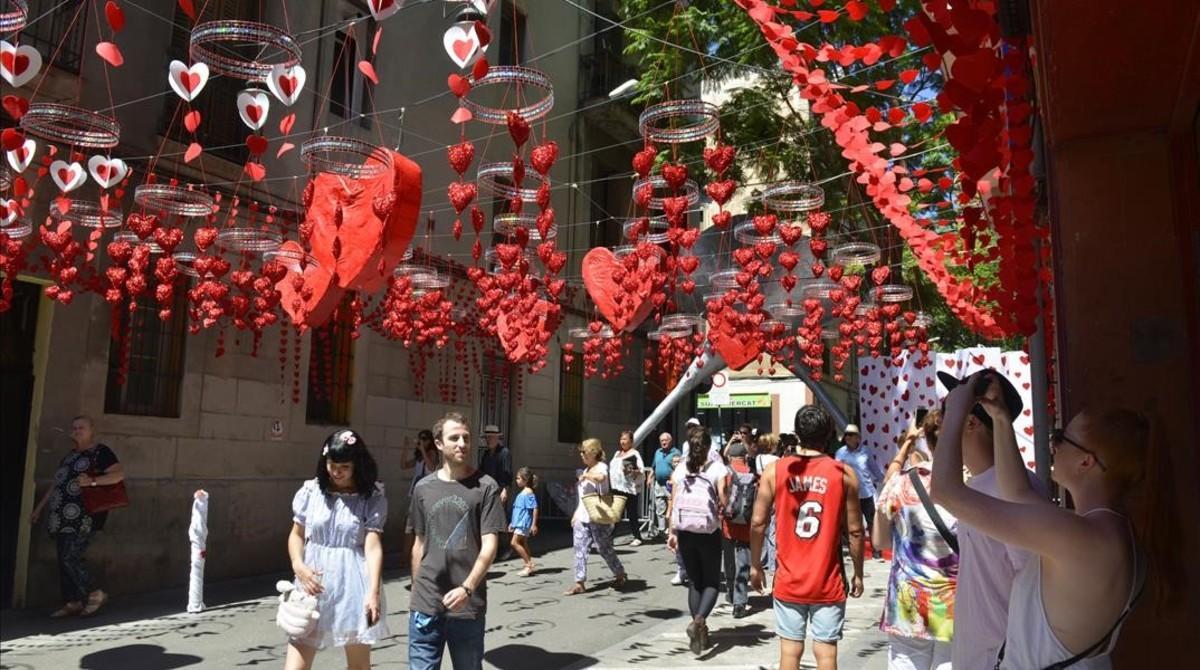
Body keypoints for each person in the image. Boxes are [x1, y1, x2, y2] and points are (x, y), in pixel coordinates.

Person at [933, 371, 1172, 669]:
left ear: (1086, 462)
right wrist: (1001, 419)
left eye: (1061, 438)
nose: (1053, 445)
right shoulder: (1105, 531)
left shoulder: (1079, 535)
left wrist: (957, 409)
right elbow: (1017, 493)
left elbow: (945, 491)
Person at [927, 370, 1046, 669]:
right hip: (980, 652)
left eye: (950, 410)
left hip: (1002, 657)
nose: (940, 422)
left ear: (970, 421)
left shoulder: (1012, 490)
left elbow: (1031, 577)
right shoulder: (982, 485)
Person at [751, 405, 865, 670]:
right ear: (828, 435)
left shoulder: (775, 471)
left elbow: (758, 522)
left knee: (790, 652)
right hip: (828, 579)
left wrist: (756, 565)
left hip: (789, 578)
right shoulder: (843, 474)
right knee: (826, 653)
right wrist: (858, 572)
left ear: (798, 434)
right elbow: (856, 531)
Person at [408, 412, 506, 670]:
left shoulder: (486, 487)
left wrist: (467, 588)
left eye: (466, 438)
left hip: (467, 606)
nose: (462, 443)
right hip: (426, 603)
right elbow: (419, 544)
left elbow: (490, 546)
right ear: (439, 444)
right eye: (454, 438)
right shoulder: (422, 489)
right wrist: (417, 591)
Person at [285, 429, 388, 670]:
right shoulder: (311, 491)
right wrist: (298, 566)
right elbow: (296, 535)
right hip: (311, 581)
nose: (336, 472)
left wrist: (372, 592)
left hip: (353, 584)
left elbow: (373, 547)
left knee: (359, 666)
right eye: (332, 464)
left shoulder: (371, 497)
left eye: (344, 467)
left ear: (357, 466)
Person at [873, 409, 958, 670]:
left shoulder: (901, 483)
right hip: (957, 602)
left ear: (928, 441)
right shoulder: (972, 484)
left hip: (908, 601)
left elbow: (880, 541)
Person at [30, 415, 124, 618]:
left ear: (92, 430)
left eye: (82, 427)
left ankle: (95, 593)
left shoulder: (101, 452)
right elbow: (56, 484)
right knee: (63, 558)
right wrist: (39, 508)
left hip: (85, 515)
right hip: (61, 516)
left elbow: (118, 475)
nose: (77, 430)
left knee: (70, 556)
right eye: (74, 427)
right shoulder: (69, 456)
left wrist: (92, 481)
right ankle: (72, 601)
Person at [667, 428, 728, 655]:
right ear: (708, 446)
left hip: (684, 530)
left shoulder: (681, 468)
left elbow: (673, 502)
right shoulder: (717, 468)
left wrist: (671, 532)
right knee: (711, 582)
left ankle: (699, 631)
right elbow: (724, 499)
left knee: (694, 582)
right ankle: (699, 622)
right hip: (708, 531)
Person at [565, 438, 628, 595]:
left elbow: (601, 478)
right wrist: (575, 514)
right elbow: (583, 497)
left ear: (593, 453)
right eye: (581, 452)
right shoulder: (585, 470)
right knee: (579, 548)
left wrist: (587, 477)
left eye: (584, 452)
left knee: (603, 548)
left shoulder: (601, 467)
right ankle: (579, 582)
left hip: (599, 515)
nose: (581, 455)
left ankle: (620, 573)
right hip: (583, 515)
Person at [835, 424, 885, 558]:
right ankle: (852, 549)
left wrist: (885, 480)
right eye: (846, 434)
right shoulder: (840, 453)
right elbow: (836, 472)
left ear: (858, 437)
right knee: (849, 523)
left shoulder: (866, 452)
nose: (848, 437)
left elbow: (874, 469)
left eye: (851, 434)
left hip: (866, 492)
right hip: (849, 494)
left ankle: (876, 552)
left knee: (872, 523)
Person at [722, 441, 754, 619]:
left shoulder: (726, 472)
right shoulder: (752, 474)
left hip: (728, 524)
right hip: (746, 526)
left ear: (730, 457)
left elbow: (720, 496)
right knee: (743, 562)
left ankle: (730, 591)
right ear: (745, 457)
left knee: (729, 560)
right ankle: (740, 603)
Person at [401, 429, 440, 568]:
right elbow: (404, 465)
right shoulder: (418, 458)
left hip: (428, 493)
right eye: (420, 439)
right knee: (410, 525)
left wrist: (423, 450)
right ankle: (407, 556)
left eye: (425, 439)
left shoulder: (432, 454)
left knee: (420, 527)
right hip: (415, 493)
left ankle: (418, 556)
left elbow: (431, 466)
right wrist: (406, 448)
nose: (422, 442)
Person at [609, 430, 647, 547]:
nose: (622, 441)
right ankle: (610, 537)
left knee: (632, 513)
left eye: (625, 439)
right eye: (621, 439)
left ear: (631, 441)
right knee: (616, 514)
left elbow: (640, 470)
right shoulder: (617, 454)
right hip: (616, 488)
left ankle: (637, 536)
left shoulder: (634, 454)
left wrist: (633, 471)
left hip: (629, 489)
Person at [509, 467, 539, 576]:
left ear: (525, 480)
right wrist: (512, 523)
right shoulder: (524, 492)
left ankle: (528, 564)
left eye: (518, 478)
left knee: (514, 542)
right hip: (519, 522)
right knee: (523, 542)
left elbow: (535, 508)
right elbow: (517, 509)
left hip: (523, 523)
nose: (516, 480)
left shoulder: (528, 493)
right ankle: (528, 564)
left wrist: (534, 524)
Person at [652, 432, 681, 541]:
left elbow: (679, 468)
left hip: (670, 484)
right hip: (659, 483)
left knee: (671, 507)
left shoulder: (676, 453)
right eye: (662, 441)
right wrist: (651, 477)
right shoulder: (657, 452)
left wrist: (673, 480)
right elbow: (654, 466)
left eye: (666, 440)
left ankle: (671, 532)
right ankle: (661, 531)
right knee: (660, 508)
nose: (664, 442)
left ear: (670, 440)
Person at [478, 424, 512, 506]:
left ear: (497, 438)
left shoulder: (504, 452)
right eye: (487, 437)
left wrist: (505, 491)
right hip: (486, 490)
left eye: (491, 437)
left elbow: (508, 474)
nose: (488, 440)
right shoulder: (485, 454)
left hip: (499, 490)